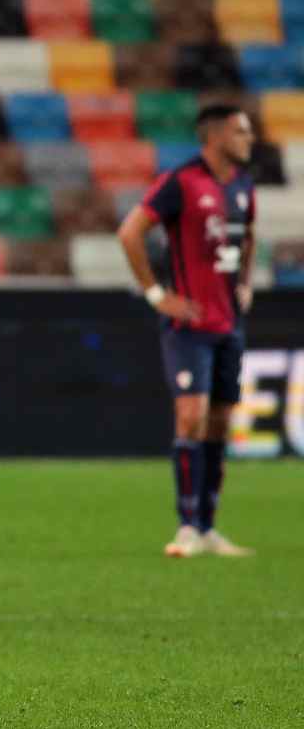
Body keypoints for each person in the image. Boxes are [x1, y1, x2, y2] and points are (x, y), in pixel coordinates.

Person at [117, 103, 256, 559]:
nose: (250, 139)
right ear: (215, 136)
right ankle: (186, 526)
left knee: (219, 422)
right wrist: (157, 294)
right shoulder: (181, 182)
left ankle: (209, 526)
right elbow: (130, 232)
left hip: (229, 324)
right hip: (188, 324)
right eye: (241, 132)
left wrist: (246, 283)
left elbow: (248, 235)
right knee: (190, 416)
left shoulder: (243, 185)